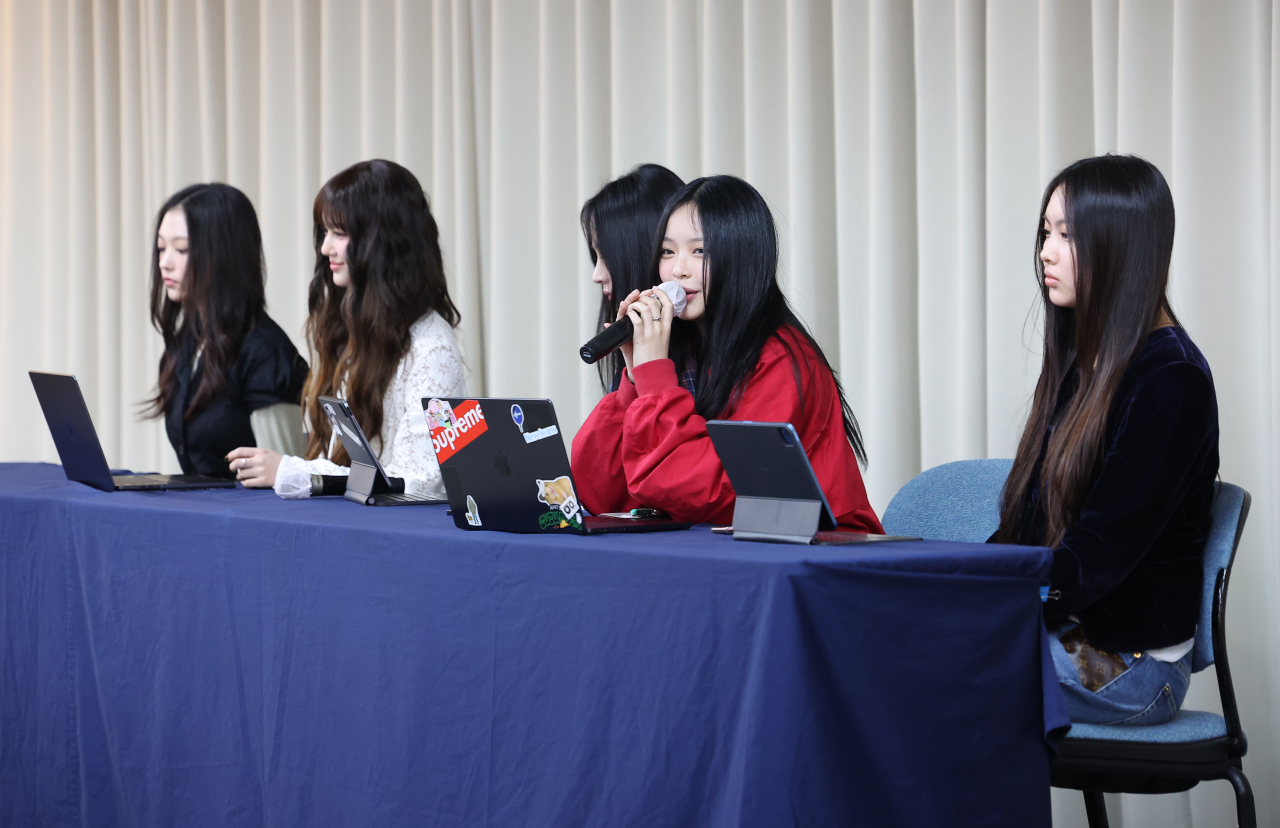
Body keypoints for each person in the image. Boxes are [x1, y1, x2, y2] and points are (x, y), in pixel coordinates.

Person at [991, 155, 1218, 726]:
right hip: (1070, 634)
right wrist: (953, 584)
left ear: (1122, 246)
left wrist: (987, 609)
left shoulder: (1172, 378)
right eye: (1046, 232)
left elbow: (1099, 553)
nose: (1046, 250)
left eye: (1068, 235)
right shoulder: (1084, 364)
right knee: (913, 640)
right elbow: (1028, 530)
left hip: (1131, 664)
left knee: (947, 661)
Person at [571, 175, 883, 531]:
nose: (678, 269)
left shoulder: (780, 358)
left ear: (742, 257)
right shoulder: (687, 351)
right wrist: (632, 377)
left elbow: (709, 493)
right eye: (667, 252)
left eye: (700, 251)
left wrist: (655, 378)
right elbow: (598, 493)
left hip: (823, 555)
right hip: (729, 549)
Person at [226, 159, 466, 498]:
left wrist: (293, 470)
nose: (325, 248)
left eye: (339, 233)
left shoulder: (432, 348)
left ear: (384, 240)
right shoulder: (356, 333)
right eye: (325, 233)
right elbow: (356, 467)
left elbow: (421, 482)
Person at [146, 183, 308, 479]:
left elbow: (289, 477)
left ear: (223, 255)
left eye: (181, 249)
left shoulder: (266, 353)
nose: (164, 262)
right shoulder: (189, 340)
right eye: (161, 247)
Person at [580, 164, 684, 390]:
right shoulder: (634, 352)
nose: (596, 276)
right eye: (594, 256)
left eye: (607, 256)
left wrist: (653, 373)